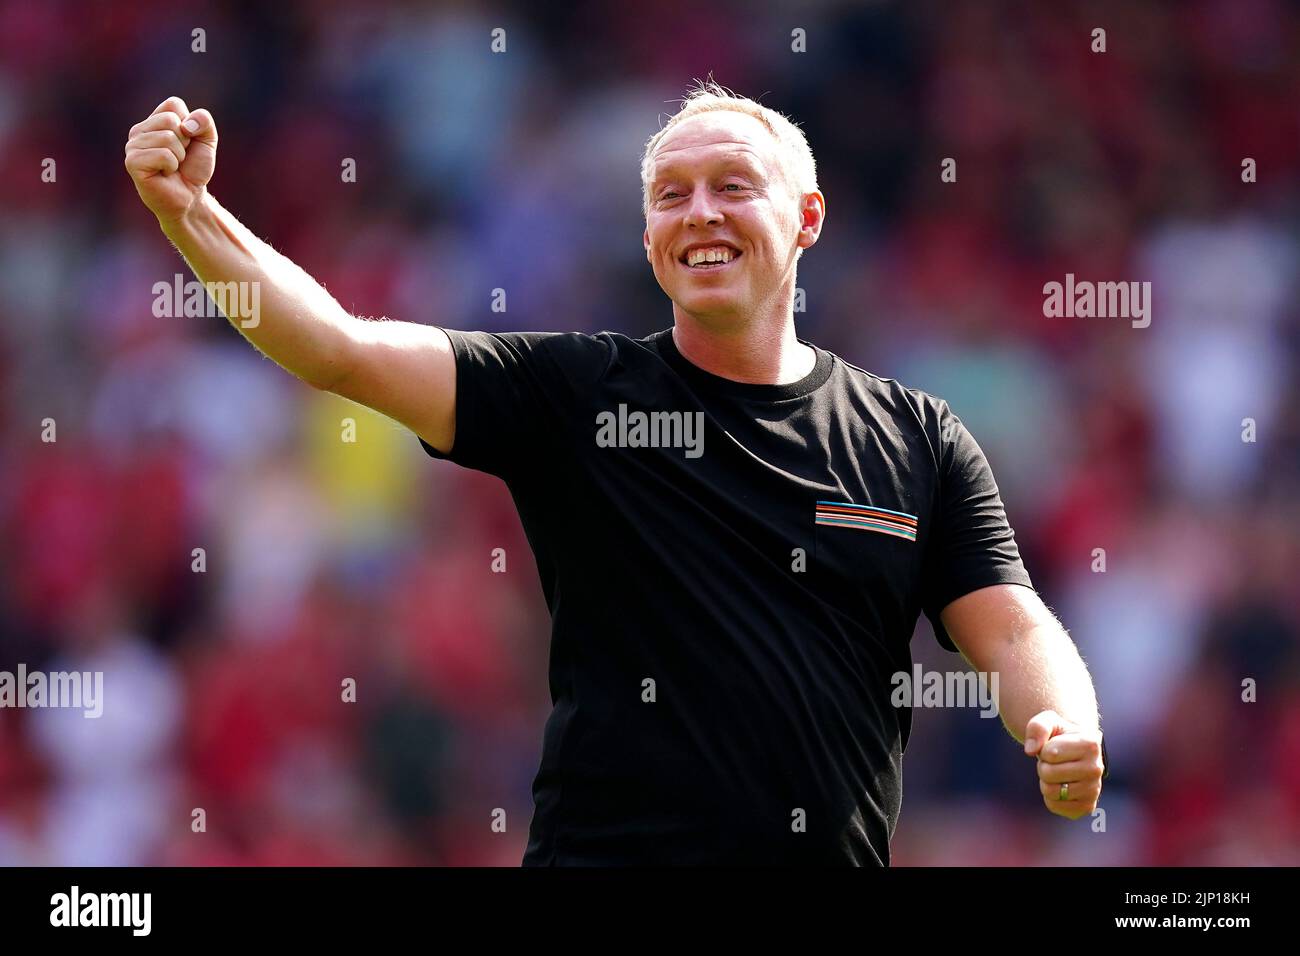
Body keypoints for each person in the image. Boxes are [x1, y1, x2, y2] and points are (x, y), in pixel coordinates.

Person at [124, 80, 1106, 865]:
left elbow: (1012, 624)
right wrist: (191, 215)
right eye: (670, 195)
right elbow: (338, 348)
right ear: (648, 241)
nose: (700, 212)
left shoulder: (915, 437)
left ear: (807, 216)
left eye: (732, 185)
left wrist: (1060, 717)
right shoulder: (575, 391)